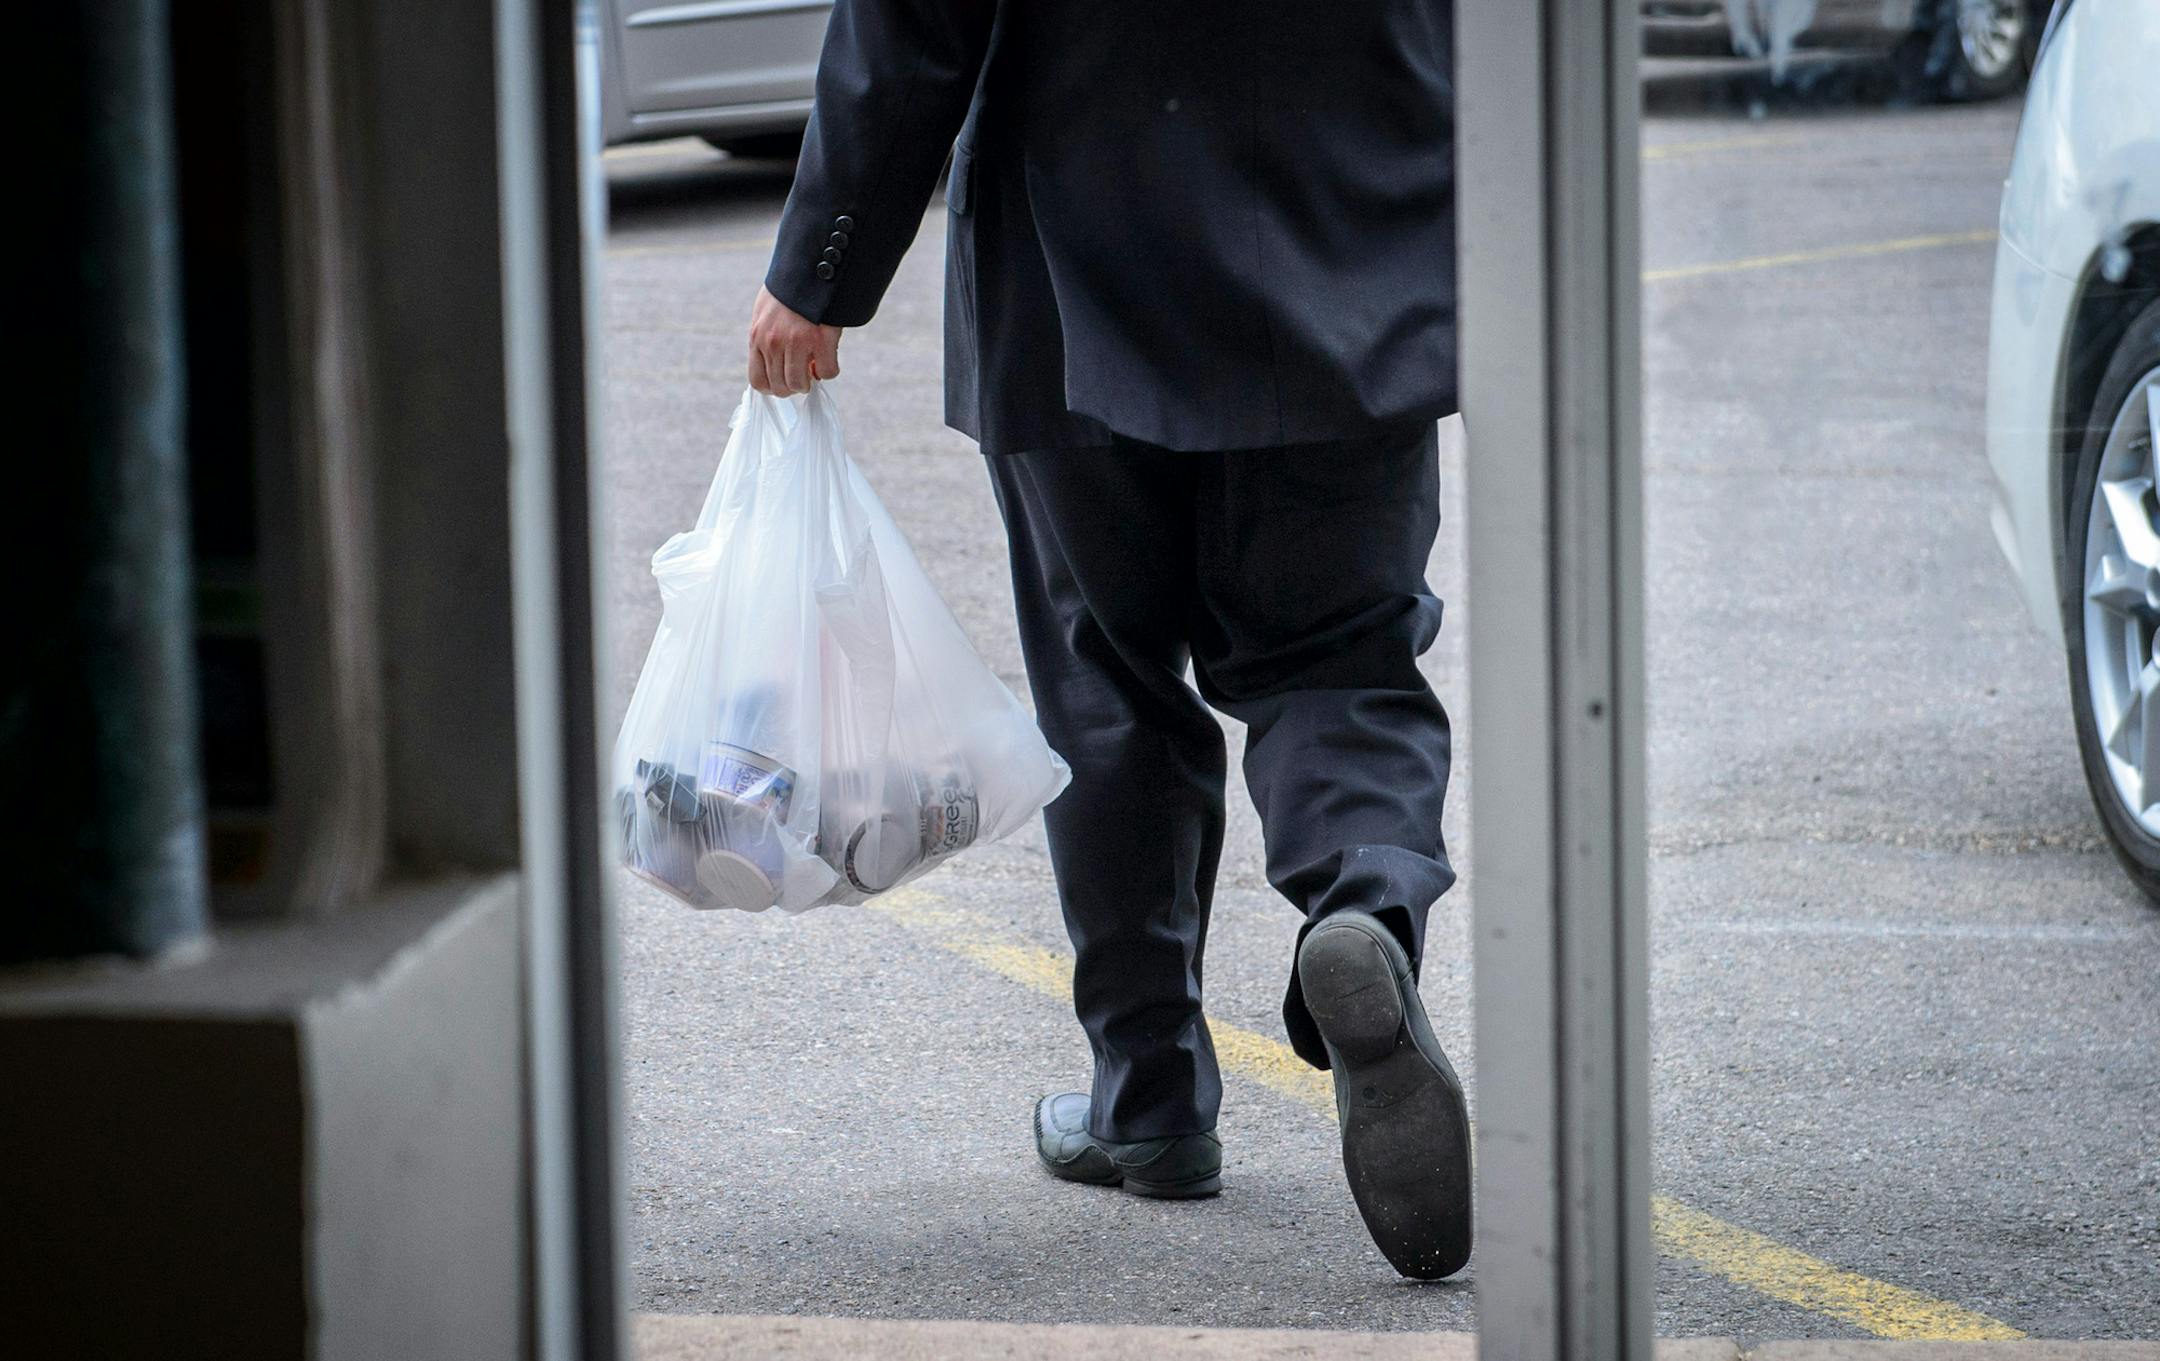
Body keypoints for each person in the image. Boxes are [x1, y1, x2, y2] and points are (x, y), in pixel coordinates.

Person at [746, 0, 1469, 1280]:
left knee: (1109, 679)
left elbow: (912, 20)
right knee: (1343, 654)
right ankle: (1362, 907)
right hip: (1356, 232)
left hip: (1085, 249)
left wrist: (819, 271)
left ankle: (1150, 1100)